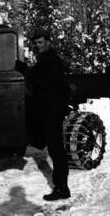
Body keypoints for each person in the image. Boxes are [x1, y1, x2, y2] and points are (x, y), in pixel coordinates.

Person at [15, 29, 71, 201]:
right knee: (52, 146)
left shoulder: (51, 60)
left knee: (56, 148)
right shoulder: (45, 59)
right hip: (48, 108)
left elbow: (43, 81)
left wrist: (25, 69)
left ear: (48, 42)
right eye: (36, 42)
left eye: (40, 42)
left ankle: (62, 189)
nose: (38, 45)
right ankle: (61, 187)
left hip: (53, 109)